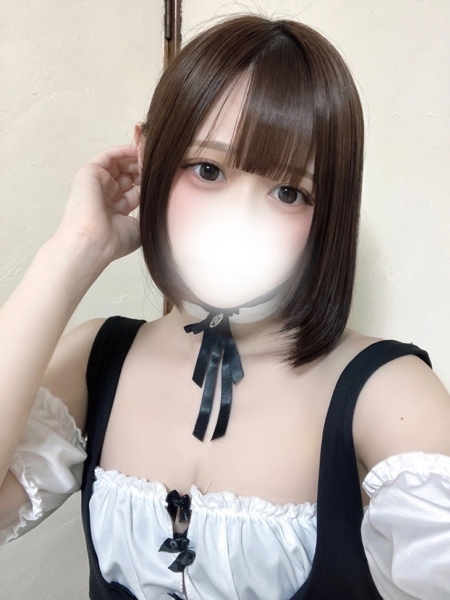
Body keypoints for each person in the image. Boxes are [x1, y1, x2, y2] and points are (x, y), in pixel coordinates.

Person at [0, 13, 449, 600]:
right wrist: (73, 251)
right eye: (207, 169)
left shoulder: (387, 391)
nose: (240, 221)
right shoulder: (97, 357)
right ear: (148, 155)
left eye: (289, 192)